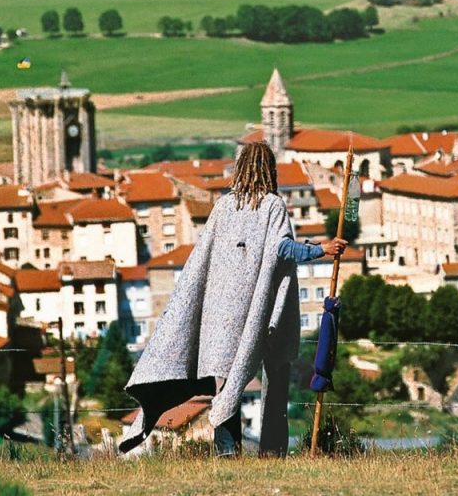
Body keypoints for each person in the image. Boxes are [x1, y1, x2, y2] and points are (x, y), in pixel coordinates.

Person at [119, 141, 347, 456]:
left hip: (221, 315)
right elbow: (282, 249)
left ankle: (227, 452)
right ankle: (272, 452)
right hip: (261, 312)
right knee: (275, 379)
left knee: (227, 383)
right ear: (269, 169)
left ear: (240, 169)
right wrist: (321, 249)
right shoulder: (271, 205)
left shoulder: (223, 207)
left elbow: (207, 260)